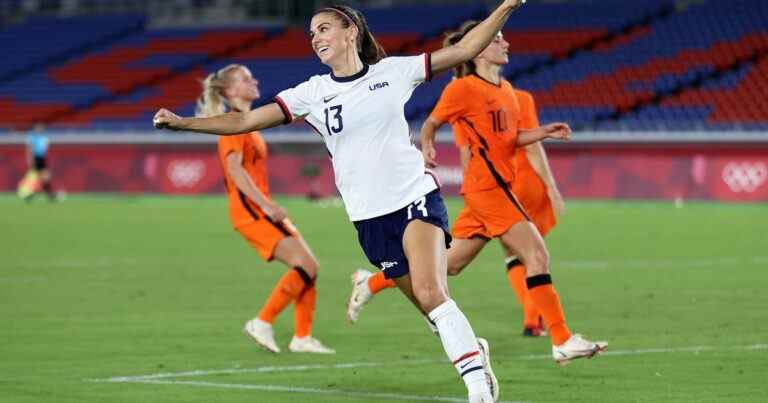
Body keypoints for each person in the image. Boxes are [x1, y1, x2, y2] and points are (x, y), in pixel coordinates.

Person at [153, 2, 552, 401]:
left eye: (324, 29)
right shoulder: (311, 93)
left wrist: (505, 6)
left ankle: (479, 390)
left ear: (351, 33)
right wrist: (184, 124)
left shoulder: (394, 72)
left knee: (432, 292)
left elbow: (464, 51)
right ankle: (473, 351)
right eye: (312, 33)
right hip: (368, 220)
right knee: (433, 310)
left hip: (415, 198)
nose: (316, 38)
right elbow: (242, 121)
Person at [346, 21, 607, 365]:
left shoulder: (508, 90)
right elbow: (431, 123)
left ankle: (372, 283)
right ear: (480, 48)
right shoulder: (463, 89)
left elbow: (509, 138)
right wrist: (427, 148)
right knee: (537, 255)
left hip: (494, 188)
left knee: (448, 266)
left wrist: (542, 132)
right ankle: (561, 338)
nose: (506, 44)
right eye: (498, 39)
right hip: (488, 189)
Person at [198, 63, 334, 354]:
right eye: (246, 79)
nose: (254, 81)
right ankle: (262, 322)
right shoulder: (233, 123)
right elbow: (235, 170)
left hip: (257, 209)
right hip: (252, 211)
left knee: (309, 267)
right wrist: (266, 205)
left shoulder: (246, 121)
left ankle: (302, 337)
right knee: (307, 265)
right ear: (232, 90)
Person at [17, 124, 58, 202]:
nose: (41, 129)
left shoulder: (44, 137)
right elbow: (29, 149)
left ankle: (47, 195)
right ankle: (28, 193)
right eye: (39, 128)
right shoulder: (32, 137)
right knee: (36, 178)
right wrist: (30, 159)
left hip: (42, 159)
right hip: (36, 159)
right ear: (36, 128)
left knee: (44, 177)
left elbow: (45, 149)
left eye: (42, 128)